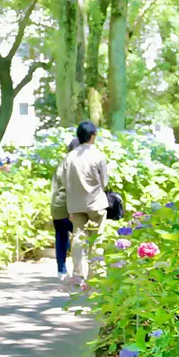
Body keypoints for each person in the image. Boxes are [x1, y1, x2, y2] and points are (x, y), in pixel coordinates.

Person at [63, 120, 109, 282]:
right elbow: (104, 182)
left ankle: (77, 273)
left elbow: (65, 182)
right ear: (92, 136)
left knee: (78, 237)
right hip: (96, 202)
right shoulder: (98, 155)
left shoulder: (69, 157)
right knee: (97, 238)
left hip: (76, 204)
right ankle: (94, 273)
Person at [50, 138, 80, 280]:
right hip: (69, 207)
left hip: (56, 206)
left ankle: (61, 269)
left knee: (61, 237)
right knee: (79, 237)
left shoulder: (61, 163)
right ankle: (77, 271)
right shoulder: (74, 164)